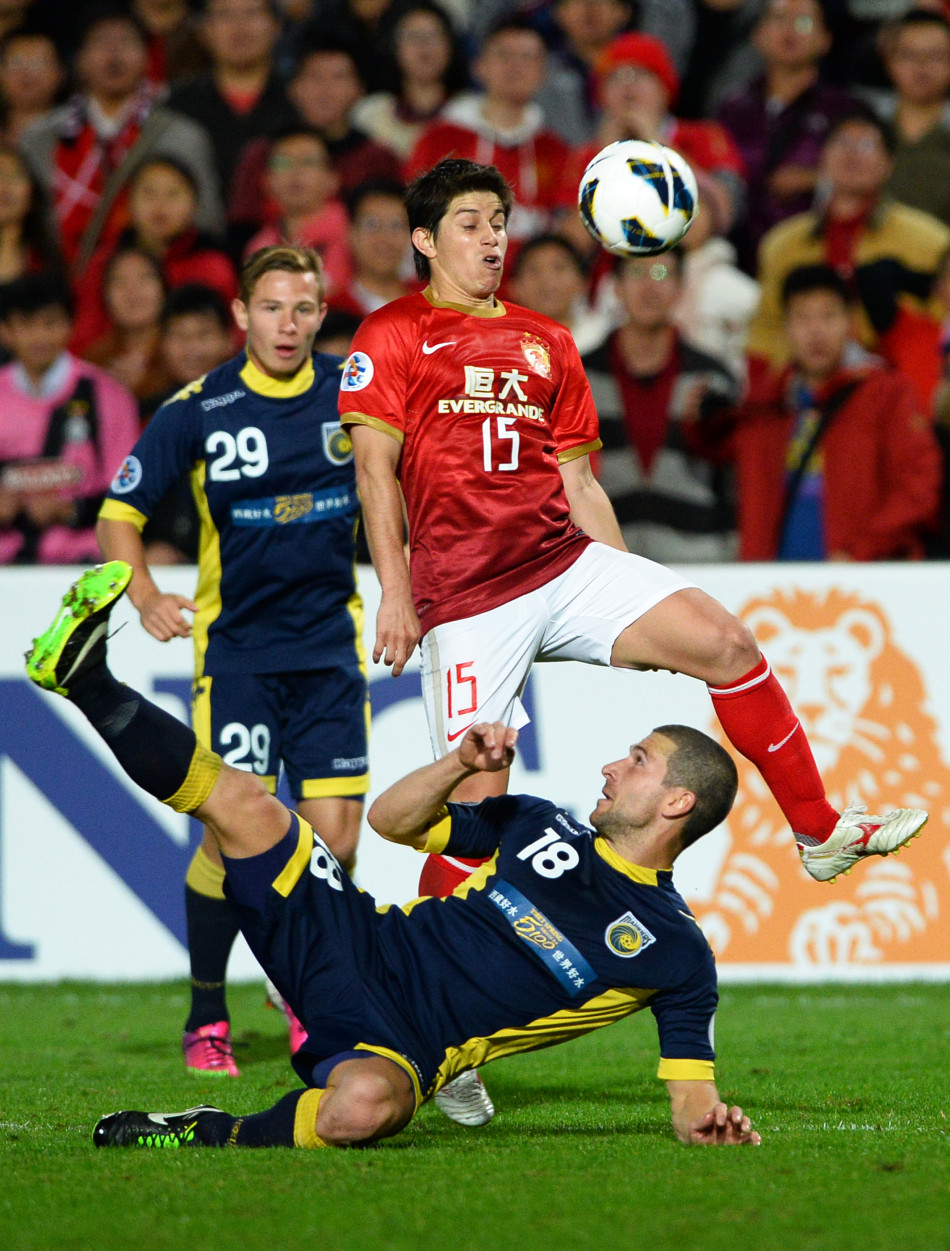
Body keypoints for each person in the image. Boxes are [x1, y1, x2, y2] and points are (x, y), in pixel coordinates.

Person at [339, 156, 927, 909]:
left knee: (728, 644)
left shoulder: (546, 340)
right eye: (469, 225)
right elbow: (373, 474)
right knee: (475, 815)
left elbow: (580, 483)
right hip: (466, 594)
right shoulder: (392, 333)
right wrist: (396, 592)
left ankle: (818, 831)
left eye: (498, 224)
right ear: (423, 239)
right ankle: (416, 980)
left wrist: (625, 596)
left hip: (562, 560)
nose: (491, 241)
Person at [25, 567, 763, 1149]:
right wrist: (455, 764)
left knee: (367, 1106)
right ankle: (87, 679)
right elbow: (389, 821)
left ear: (676, 804)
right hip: (357, 935)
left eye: (638, 760)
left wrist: (707, 1123)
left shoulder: (675, 951)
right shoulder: (540, 824)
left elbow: (690, 1092)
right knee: (249, 807)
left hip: (407, 1041)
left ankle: (204, 1130)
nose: (610, 766)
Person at [96, 245, 370, 1077]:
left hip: (329, 652)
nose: (288, 324)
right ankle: (207, 1012)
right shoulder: (200, 405)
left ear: (321, 315)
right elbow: (119, 512)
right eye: (272, 308)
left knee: (335, 843)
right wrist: (142, 594)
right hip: (240, 657)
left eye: (304, 308)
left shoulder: (351, 392)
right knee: (230, 838)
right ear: (242, 317)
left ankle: (293, 991)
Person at [690, 264, 942, 562]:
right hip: (770, 590)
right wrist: (698, 418)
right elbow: (714, 448)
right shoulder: (768, 401)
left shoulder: (886, 393)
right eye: (802, 318)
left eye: (829, 316)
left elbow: (920, 487)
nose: (816, 331)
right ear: (786, 328)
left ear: (851, 323)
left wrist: (861, 552)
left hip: (864, 587)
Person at [746, 107, 950, 412]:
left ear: (890, 163)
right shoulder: (782, 244)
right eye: (841, 143)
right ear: (822, 158)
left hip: (899, 394)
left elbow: (939, 328)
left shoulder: (931, 240)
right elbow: (766, 332)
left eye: (867, 145)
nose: (853, 155)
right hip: (800, 391)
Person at [19, 5, 223, 275]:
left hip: (159, 283)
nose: (114, 54)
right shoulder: (40, 137)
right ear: (79, 59)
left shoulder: (183, 135)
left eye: (126, 42)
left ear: (148, 56)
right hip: (56, 288)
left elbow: (207, 221)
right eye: (101, 42)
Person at [581, 248, 741, 563]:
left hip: (700, 562)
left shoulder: (712, 378)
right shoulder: (579, 376)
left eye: (662, 273)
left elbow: (732, 480)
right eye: (637, 273)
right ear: (616, 286)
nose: (650, 286)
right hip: (603, 565)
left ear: (682, 287)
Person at [0, 271, 139, 565]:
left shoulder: (108, 396)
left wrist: (71, 510)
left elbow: (131, 492)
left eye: (50, 323)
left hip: (86, 563)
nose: (39, 336)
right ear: (6, 331)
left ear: (70, 325)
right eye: (25, 325)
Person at [716, 0, 856, 272]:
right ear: (757, 36)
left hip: (809, 252)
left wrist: (815, 179)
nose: (789, 30)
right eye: (778, 19)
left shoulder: (844, 111)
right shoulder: (732, 106)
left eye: (803, 22)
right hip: (733, 251)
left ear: (825, 39)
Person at [405, 19, 571, 248]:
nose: (515, 67)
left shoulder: (556, 151)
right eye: (503, 55)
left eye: (527, 57)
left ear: (543, 72)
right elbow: (416, 220)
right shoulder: (439, 141)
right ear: (479, 66)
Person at [72, 155, 238, 353]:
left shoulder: (214, 268)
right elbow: (84, 337)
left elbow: (232, 340)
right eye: (148, 193)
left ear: (194, 204)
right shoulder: (102, 263)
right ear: (128, 202)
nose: (160, 205)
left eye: (173, 194)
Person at [167, 0, 296, 205]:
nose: (239, 26)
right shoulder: (178, 105)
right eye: (225, 15)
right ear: (204, 31)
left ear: (276, 26)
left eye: (252, 12)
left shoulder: (299, 100)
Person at [242, 127, 351, 303]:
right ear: (266, 182)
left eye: (308, 162)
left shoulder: (353, 230)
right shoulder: (259, 248)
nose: (295, 172)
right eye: (283, 163)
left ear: (333, 179)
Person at [351, 2, 470, 161]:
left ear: (451, 46)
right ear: (393, 47)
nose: (424, 46)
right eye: (413, 36)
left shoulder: (473, 113)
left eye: (434, 35)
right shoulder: (369, 115)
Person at [868, 10, 950, 228]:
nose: (922, 66)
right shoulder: (865, 122)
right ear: (888, 60)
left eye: (936, 56)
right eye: (909, 55)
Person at [81, 243, 171, 399]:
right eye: (119, 281)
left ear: (163, 289)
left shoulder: (180, 355)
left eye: (144, 278)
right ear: (105, 296)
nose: (132, 291)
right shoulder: (94, 361)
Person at [330, 179, 413, 317]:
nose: (384, 238)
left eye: (396, 225)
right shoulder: (334, 309)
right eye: (371, 225)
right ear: (351, 234)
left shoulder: (432, 303)